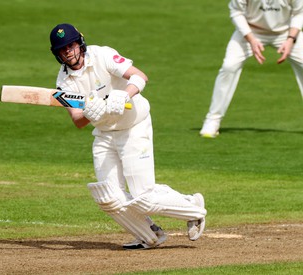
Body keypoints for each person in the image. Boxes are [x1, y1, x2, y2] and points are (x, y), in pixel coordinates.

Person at [49, 23, 207, 250]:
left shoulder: (103, 55)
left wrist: (122, 95)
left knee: (144, 196)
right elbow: (77, 120)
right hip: (104, 134)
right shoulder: (64, 82)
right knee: (108, 196)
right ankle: (150, 235)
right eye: (62, 49)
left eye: (71, 45)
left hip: (134, 127)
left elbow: (140, 76)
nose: (68, 52)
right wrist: (89, 113)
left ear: (80, 43)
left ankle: (194, 209)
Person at [200, 0, 303, 138]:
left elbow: (299, 12)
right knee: (229, 66)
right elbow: (236, 11)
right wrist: (251, 39)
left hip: (285, 32)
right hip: (251, 31)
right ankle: (213, 120)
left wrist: (291, 39)